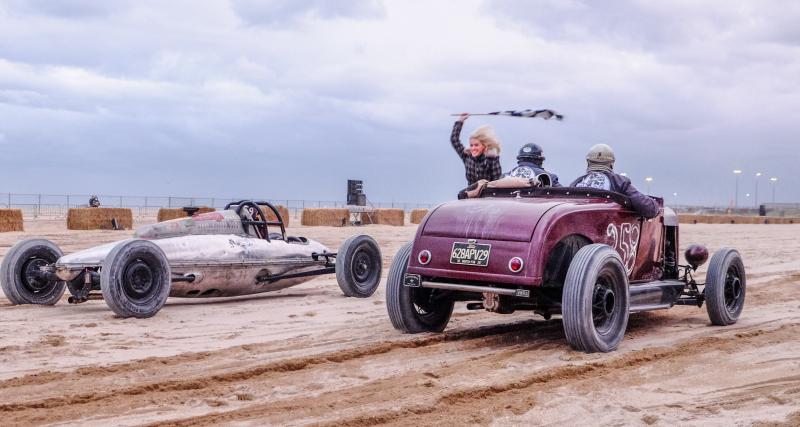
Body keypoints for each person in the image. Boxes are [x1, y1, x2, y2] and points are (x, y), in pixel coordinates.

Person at [571, 144, 659, 218]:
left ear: (588, 162)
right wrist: (656, 206)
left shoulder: (576, 183)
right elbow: (649, 209)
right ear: (611, 164)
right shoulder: (620, 182)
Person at [451, 114, 502, 185]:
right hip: (471, 194)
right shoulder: (467, 157)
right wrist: (460, 121)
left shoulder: (491, 160)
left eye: (476, 145)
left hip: (488, 194)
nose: (473, 148)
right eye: (471, 145)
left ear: (484, 146)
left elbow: (497, 182)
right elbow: (454, 140)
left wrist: (492, 158)